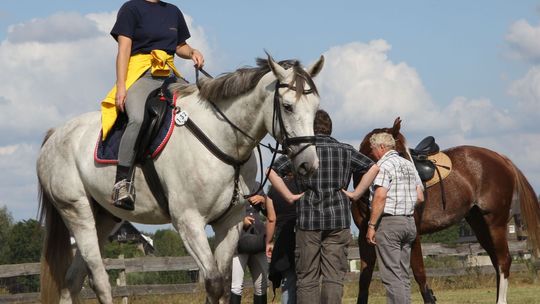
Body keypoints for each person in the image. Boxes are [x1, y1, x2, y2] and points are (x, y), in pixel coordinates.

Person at [268, 109, 379, 304]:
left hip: (307, 220)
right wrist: (356, 193)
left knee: (307, 277)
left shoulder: (301, 152)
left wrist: (289, 196)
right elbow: (373, 167)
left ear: (310, 128)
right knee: (333, 276)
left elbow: (271, 170)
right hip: (338, 219)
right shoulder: (345, 150)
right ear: (330, 129)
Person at [102, 0, 204, 210]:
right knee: (137, 118)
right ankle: (122, 182)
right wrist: (121, 86)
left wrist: (193, 51)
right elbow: (124, 50)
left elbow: (179, 45)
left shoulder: (173, 11)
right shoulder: (131, 8)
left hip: (169, 73)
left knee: (200, 105)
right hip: (140, 73)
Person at [361, 132, 424, 304]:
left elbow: (380, 196)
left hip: (389, 224)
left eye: (373, 149)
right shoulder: (408, 165)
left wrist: (372, 225)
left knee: (391, 276)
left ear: (381, 147)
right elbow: (420, 197)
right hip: (409, 223)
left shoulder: (383, 166)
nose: (372, 153)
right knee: (403, 274)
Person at [230, 190, 276, 304]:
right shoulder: (232, 185)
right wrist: (241, 221)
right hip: (238, 240)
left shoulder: (257, 186)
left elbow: (270, 214)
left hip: (258, 240)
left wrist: (264, 201)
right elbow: (224, 213)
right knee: (236, 286)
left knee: (262, 285)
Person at [267, 173, 299, 304]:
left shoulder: (273, 190)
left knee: (288, 281)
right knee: (307, 282)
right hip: (303, 234)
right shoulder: (302, 184)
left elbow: (271, 219)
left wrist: (268, 241)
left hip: (283, 238)